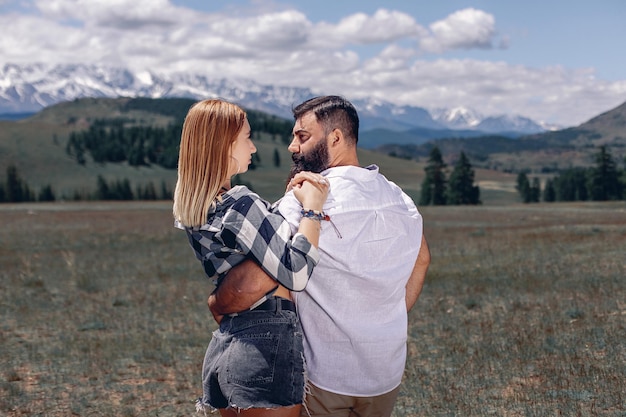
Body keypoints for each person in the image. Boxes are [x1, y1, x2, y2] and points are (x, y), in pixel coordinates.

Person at [209, 95, 431, 417]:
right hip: (385, 373)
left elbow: (257, 280)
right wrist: (381, 317)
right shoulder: (400, 198)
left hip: (324, 374)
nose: (291, 147)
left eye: (302, 137)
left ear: (336, 138)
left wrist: (218, 303)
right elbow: (421, 259)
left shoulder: (301, 201)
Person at [173, 98, 330, 417]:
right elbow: (296, 272)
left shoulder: (197, 210)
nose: (254, 147)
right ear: (225, 145)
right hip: (266, 347)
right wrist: (313, 209)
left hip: (226, 346)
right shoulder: (241, 203)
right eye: (246, 137)